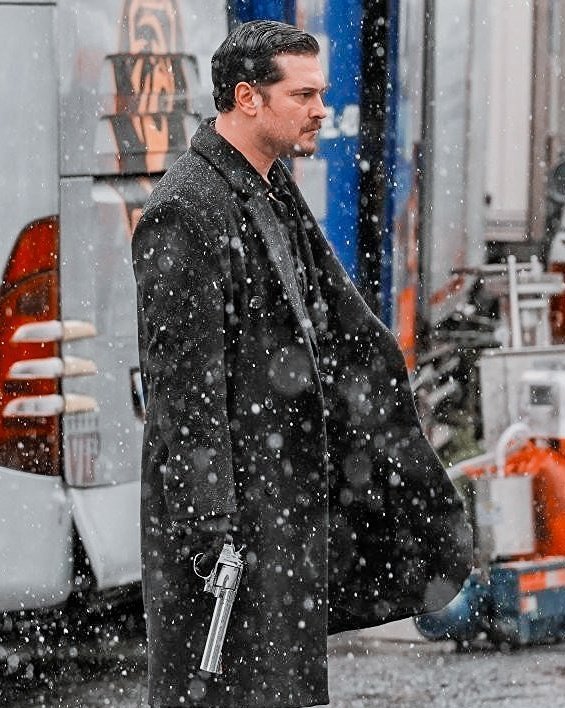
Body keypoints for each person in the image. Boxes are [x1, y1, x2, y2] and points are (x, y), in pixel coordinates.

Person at [131, 20, 472, 708]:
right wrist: (212, 531)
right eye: (304, 94)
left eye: (320, 93)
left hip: (277, 514)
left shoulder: (265, 188)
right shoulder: (188, 210)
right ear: (247, 97)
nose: (321, 109)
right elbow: (184, 393)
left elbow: (329, 332)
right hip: (233, 533)